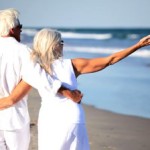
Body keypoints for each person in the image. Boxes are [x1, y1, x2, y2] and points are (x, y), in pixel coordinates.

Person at [1, 28, 150, 150]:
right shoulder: (73, 65)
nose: (63, 45)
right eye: (61, 42)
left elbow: (12, 99)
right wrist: (137, 46)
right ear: (54, 45)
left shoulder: (34, 71)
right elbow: (109, 60)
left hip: (50, 121)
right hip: (73, 119)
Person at [0, 9, 82, 150]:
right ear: (12, 29)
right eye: (20, 27)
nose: (21, 31)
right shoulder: (22, 51)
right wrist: (67, 92)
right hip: (13, 120)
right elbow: (40, 78)